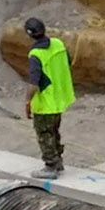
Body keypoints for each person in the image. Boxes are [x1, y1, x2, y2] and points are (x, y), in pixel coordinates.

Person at [24, 17, 75, 177]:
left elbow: (34, 82)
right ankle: (58, 160)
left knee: (44, 133)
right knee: (54, 130)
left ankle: (51, 166)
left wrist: (28, 101)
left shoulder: (36, 55)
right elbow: (68, 61)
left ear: (29, 34)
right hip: (60, 97)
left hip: (46, 102)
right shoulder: (58, 44)